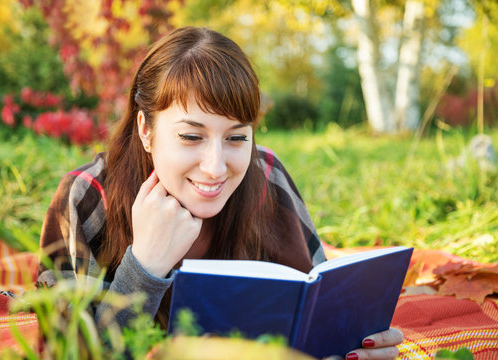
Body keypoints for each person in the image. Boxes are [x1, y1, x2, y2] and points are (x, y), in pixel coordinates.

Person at [37, 26, 404, 359]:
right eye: (191, 136)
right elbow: (72, 352)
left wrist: (347, 344)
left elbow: (321, 303)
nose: (215, 166)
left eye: (236, 137)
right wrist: (145, 266)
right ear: (145, 130)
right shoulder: (87, 197)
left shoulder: (266, 177)